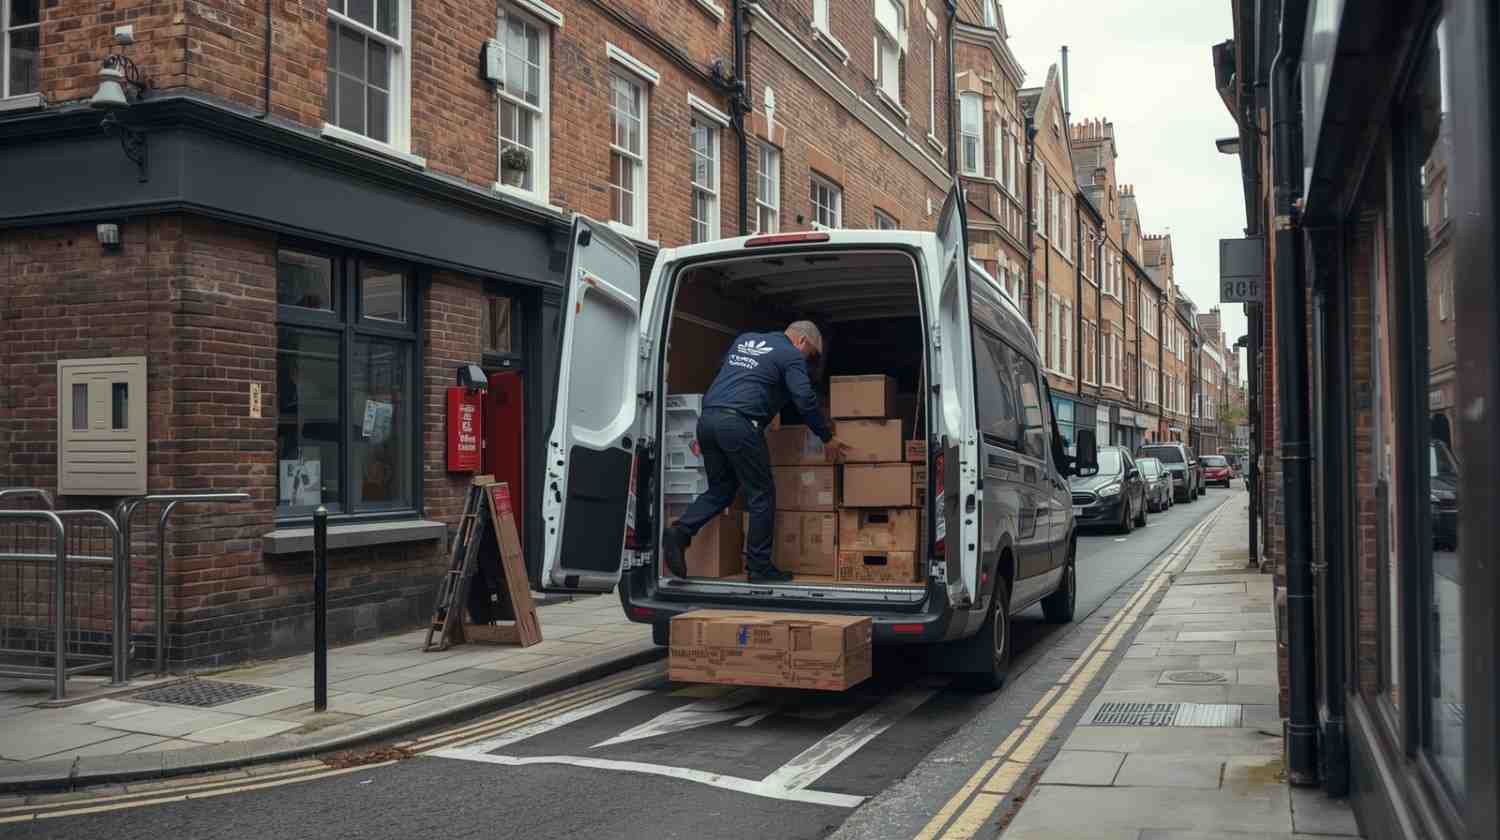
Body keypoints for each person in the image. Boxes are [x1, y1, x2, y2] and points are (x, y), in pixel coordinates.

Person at [662, 321, 849, 583]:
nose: (808, 363)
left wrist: (766, 405)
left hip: (708, 420)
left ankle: (680, 531)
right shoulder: (791, 354)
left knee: (721, 490)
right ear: (802, 342)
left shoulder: (745, 339)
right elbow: (804, 399)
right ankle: (759, 567)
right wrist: (826, 436)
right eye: (811, 356)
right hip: (739, 424)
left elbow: (735, 374)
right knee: (761, 494)